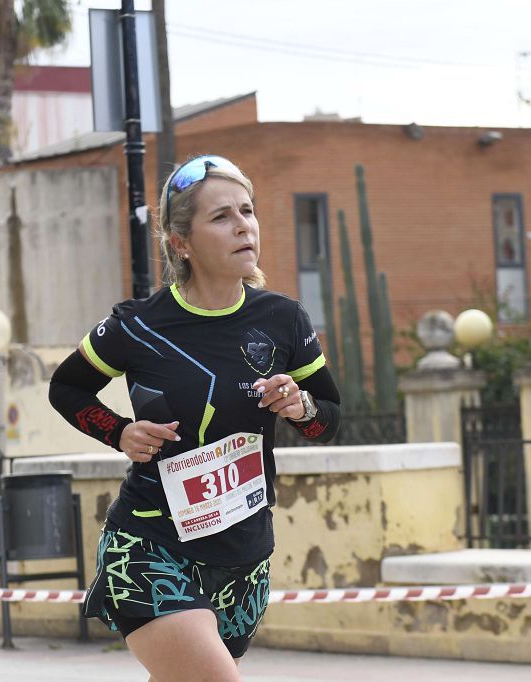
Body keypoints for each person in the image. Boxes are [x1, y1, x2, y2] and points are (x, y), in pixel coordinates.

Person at [49, 154, 341, 681]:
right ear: (181, 243)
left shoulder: (283, 318)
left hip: (245, 555)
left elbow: (329, 418)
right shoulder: (137, 326)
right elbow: (65, 387)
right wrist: (120, 432)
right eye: (221, 217)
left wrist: (301, 407)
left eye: (247, 211)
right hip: (150, 548)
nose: (243, 226)